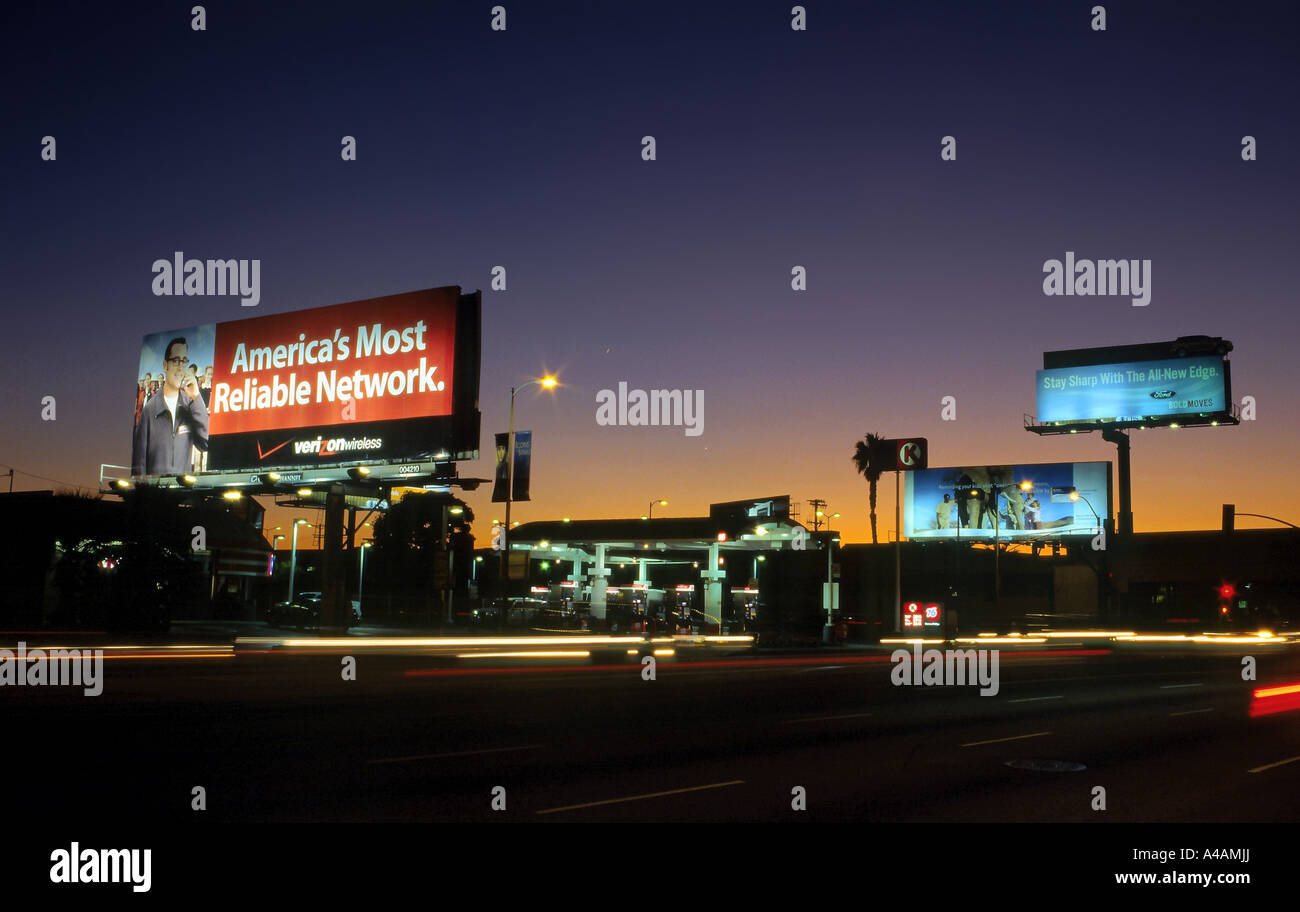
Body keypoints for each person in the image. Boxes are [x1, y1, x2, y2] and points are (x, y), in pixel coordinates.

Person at [132, 337, 209, 476]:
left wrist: (196, 398)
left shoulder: (190, 404)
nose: (181, 368)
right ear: (165, 365)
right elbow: (139, 462)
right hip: (155, 492)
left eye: (184, 361)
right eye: (176, 361)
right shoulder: (149, 410)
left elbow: (205, 443)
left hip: (182, 492)